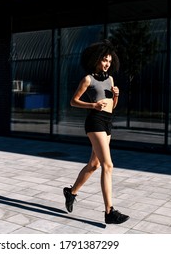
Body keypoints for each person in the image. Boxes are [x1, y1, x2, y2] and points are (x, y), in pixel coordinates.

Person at [63, 39, 129, 224]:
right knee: (108, 165)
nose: (107, 63)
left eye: (109, 60)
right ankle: (109, 211)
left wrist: (116, 95)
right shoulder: (88, 79)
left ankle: (71, 192)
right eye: (103, 60)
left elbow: (112, 106)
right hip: (95, 122)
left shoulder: (110, 79)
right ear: (96, 60)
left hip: (107, 122)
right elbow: (73, 101)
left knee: (94, 165)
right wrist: (92, 104)